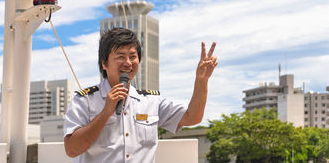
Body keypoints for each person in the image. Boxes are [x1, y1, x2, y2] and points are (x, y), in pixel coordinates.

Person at [63, 27, 218, 163]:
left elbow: (192, 117)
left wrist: (201, 81)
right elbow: (71, 149)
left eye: (133, 56)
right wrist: (105, 113)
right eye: (120, 56)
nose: (128, 63)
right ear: (104, 63)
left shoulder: (150, 101)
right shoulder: (84, 100)